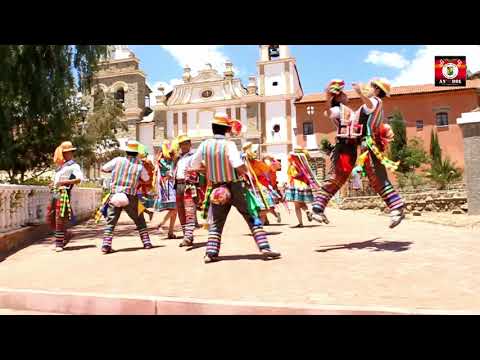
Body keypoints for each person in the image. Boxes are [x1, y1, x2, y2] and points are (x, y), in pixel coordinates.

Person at [189, 113, 281, 263]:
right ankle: (264, 248)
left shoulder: (205, 145)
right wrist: (247, 174)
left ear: (213, 128)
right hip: (235, 186)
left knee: (217, 222)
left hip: (217, 189)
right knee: (251, 215)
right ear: (227, 130)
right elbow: (236, 164)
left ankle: (210, 253)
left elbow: (193, 165)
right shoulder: (229, 144)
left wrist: (210, 169)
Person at [312, 78, 405, 228]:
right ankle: (318, 207)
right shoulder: (342, 110)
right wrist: (328, 97)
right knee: (346, 177)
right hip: (351, 148)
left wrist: (360, 93)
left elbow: (369, 105)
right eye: (342, 94)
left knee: (373, 175)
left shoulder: (373, 101)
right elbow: (329, 111)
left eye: (370, 87)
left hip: (366, 144)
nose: (345, 95)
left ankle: (396, 207)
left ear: (376, 90)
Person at [100, 140, 153, 254]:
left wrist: (115, 174)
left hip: (115, 194)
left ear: (126, 151)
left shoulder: (117, 160)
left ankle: (106, 245)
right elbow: (146, 179)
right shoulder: (139, 166)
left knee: (111, 221)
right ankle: (147, 243)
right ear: (136, 153)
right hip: (131, 196)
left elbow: (104, 168)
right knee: (140, 220)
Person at [47, 141, 84, 252]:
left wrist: (63, 182)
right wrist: (53, 184)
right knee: (51, 217)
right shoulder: (60, 167)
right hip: (55, 192)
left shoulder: (74, 166)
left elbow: (79, 180)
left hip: (63, 193)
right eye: (65, 152)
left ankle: (59, 243)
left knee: (59, 217)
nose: (67, 154)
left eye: (69, 152)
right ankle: (66, 234)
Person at [242, 143, 280, 225]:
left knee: (258, 208)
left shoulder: (243, 163)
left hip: (250, 188)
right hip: (259, 186)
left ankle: (260, 225)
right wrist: (272, 160)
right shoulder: (256, 163)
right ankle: (261, 226)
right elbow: (269, 170)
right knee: (264, 207)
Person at [174, 135, 199, 247]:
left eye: (186, 144)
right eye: (182, 144)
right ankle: (187, 236)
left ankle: (188, 237)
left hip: (189, 185)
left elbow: (203, 168)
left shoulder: (194, 156)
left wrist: (193, 170)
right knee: (181, 211)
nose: (183, 146)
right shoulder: (178, 159)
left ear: (190, 145)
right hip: (178, 185)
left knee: (189, 210)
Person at [153, 140, 179, 239]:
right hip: (168, 185)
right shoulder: (165, 160)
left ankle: (170, 232)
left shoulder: (161, 160)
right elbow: (170, 172)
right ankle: (161, 223)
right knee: (175, 208)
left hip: (167, 185)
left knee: (175, 210)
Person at [284, 148, 315, 228]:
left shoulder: (293, 164)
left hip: (295, 185)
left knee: (297, 206)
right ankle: (307, 211)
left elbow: (294, 175)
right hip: (304, 185)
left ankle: (301, 223)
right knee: (302, 203)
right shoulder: (304, 164)